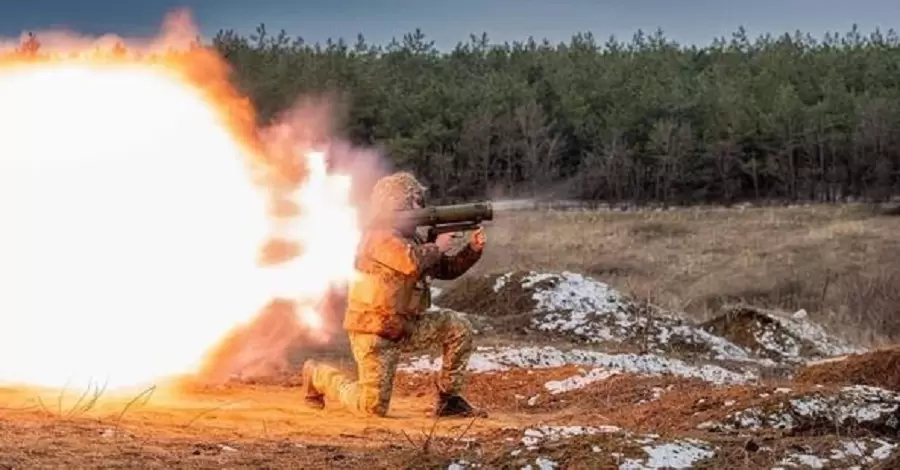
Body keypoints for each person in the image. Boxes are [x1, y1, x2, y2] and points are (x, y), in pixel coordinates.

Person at [300, 171, 486, 418]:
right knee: (372, 407)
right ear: (398, 204)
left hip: (406, 325)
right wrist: (437, 245)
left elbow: (444, 269)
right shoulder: (378, 236)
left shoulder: (413, 239)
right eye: (416, 202)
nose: (422, 207)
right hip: (375, 332)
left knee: (458, 326)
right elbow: (410, 262)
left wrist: (472, 249)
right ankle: (317, 375)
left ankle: (449, 399)